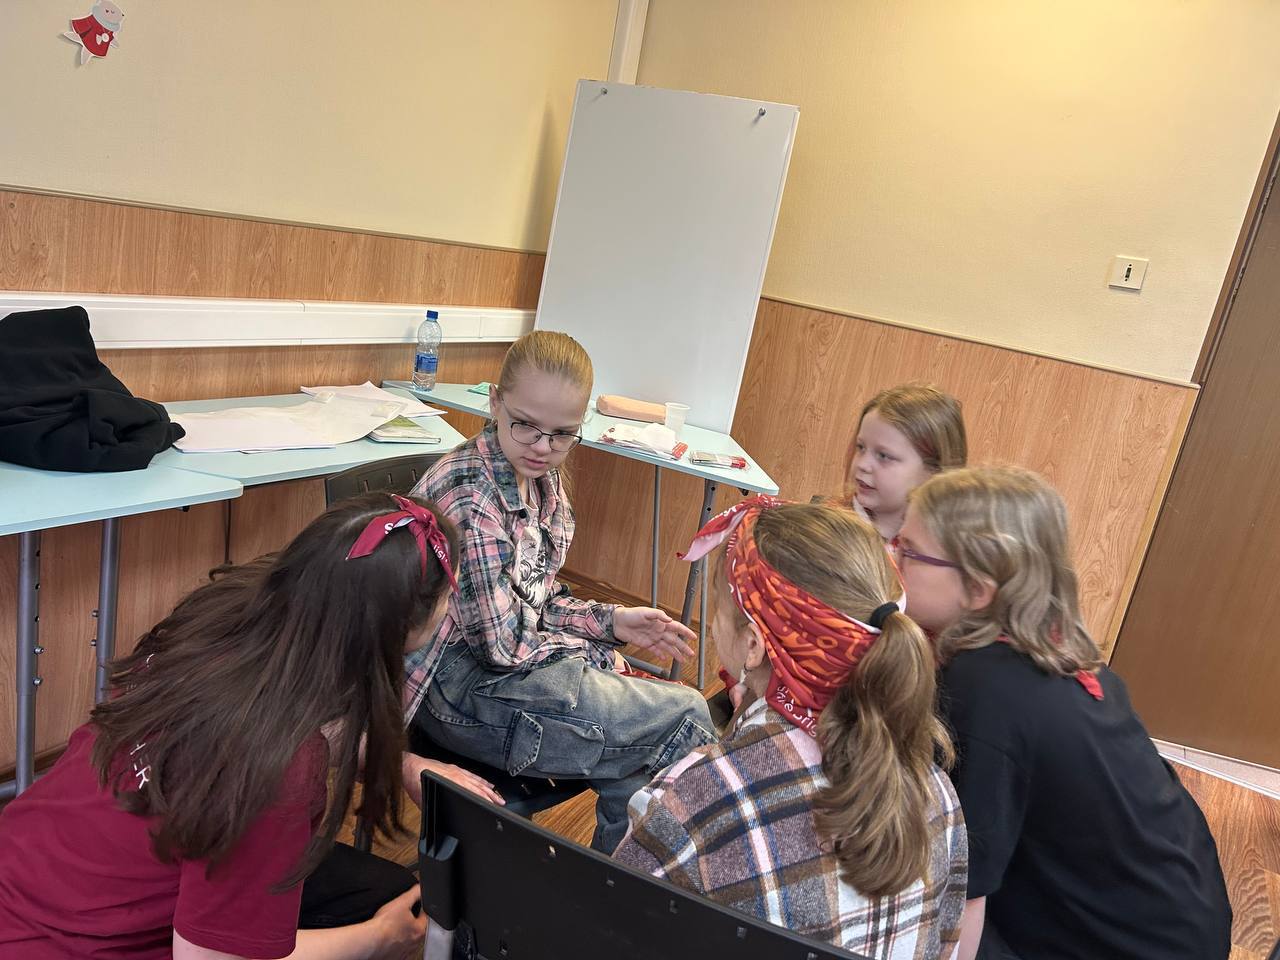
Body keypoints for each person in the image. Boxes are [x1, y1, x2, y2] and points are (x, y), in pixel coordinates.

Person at [0, 492, 464, 959]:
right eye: (449, 595)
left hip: (37, 860)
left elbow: (316, 720)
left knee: (381, 892)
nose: (452, 603)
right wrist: (379, 938)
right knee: (382, 916)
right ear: (399, 628)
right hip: (53, 941)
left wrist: (403, 763)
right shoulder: (279, 767)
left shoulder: (233, 613)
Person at [898, 466, 1232, 960]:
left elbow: (962, 883)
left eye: (908, 552)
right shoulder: (1055, 649)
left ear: (979, 589)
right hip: (1187, 918)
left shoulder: (984, 688)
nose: (894, 561)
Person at [614, 497, 968, 959]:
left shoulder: (695, 798)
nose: (714, 621)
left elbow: (608, 933)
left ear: (753, 646)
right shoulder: (938, 793)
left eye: (718, 608)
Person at [405, 330, 716, 852]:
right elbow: (504, 648)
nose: (544, 447)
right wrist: (594, 651)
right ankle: (633, 884)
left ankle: (614, 886)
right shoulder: (473, 497)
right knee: (683, 717)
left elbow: (536, 599)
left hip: (500, 669)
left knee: (648, 744)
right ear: (495, 402)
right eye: (526, 425)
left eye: (562, 434)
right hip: (456, 689)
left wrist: (611, 622)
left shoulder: (541, 480)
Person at [845, 383, 967, 545]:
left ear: (935, 472)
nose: (862, 464)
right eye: (861, 447)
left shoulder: (947, 550)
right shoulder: (824, 532)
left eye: (883, 456)